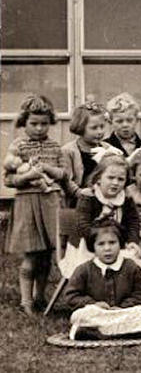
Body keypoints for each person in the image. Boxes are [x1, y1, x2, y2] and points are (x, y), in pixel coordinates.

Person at [3, 95, 67, 314]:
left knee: (48, 254)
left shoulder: (55, 146)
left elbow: (62, 174)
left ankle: (40, 297)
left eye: (44, 124)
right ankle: (26, 300)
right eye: (34, 123)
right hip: (27, 203)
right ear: (24, 123)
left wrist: (47, 170)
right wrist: (29, 174)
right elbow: (9, 180)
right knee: (31, 255)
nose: (39, 128)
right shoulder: (17, 147)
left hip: (51, 203)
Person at [63, 220, 141, 341]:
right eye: (101, 244)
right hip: (98, 314)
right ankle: (126, 332)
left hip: (123, 313)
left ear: (120, 244)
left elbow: (140, 293)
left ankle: (103, 333)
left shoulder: (131, 267)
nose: (107, 248)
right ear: (93, 247)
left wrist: (124, 307)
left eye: (112, 243)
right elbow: (71, 296)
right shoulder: (84, 269)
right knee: (79, 315)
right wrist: (93, 304)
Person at [76, 152, 141, 255]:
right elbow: (83, 226)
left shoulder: (126, 199)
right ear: (99, 178)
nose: (115, 183)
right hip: (92, 247)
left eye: (120, 179)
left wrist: (132, 240)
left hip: (120, 246)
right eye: (110, 178)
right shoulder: (89, 197)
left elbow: (133, 223)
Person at [62, 101, 116, 205]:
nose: (99, 131)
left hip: (105, 201)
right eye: (94, 128)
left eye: (102, 126)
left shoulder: (108, 148)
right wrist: (79, 192)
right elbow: (65, 180)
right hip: (78, 202)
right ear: (81, 127)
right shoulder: (68, 151)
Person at [104, 92, 141, 158]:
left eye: (129, 120)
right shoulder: (104, 148)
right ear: (110, 122)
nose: (125, 125)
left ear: (137, 120)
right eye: (119, 121)